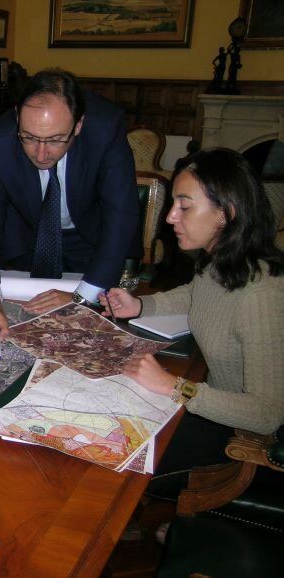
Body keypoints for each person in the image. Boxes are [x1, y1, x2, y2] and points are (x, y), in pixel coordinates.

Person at [101, 148, 284, 489]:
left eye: (184, 206)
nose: (170, 217)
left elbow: (267, 414)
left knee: (111, 456)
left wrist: (174, 386)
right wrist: (141, 306)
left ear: (225, 213)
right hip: (210, 404)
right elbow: (196, 293)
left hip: (240, 438)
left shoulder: (263, 293)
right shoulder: (226, 259)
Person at [0, 68, 142, 343]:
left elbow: (120, 218)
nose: (41, 153)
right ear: (17, 116)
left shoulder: (106, 128)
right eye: (29, 137)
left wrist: (80, 299)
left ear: (78, 125)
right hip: (30, 238)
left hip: (91, 238)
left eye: (55, 140)